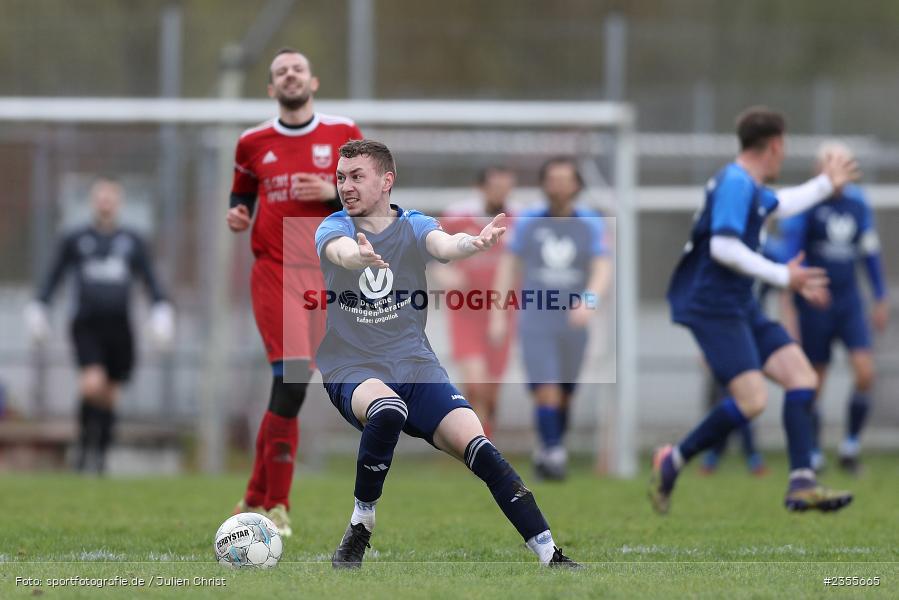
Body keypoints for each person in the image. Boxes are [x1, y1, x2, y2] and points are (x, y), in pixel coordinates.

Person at [314, 139, 578, 569]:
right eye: (341, 177)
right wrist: (357, 258)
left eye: (356, 176)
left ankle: (551, 556)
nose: (345, 185)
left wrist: (472, 245)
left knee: (481, 449)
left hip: (416, 366)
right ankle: (361, 523)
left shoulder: (414, 223)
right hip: (352, 366)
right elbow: (337, 252)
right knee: (386, 409)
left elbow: (442, 244)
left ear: (386, 181)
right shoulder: (335, 227)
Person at [651, 106, 860, 514]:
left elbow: (780, 203)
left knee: (801, 378)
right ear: (776, 145)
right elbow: (723, 247)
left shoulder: (746, 184)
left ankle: (801, 482)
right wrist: (785, 276)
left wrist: (824, 183)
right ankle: (674, 459)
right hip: (714, 308)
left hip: (741, 305)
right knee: (753, 401)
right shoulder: (735, 183)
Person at [226, 47, 363, 537]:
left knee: (290, 385)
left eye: (297, 69)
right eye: (280, 71)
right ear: (270, 88)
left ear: (313, 80)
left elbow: (370, 196)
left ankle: (253, 495)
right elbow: (240, 196)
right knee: (292, 378)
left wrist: (330, 193)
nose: (289, 76)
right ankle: (277, 506)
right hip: (276, 269)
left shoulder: (343, 133)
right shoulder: (251, 141)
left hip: (327, 274)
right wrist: (238, 214)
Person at [24, 176, 174, 474]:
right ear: (94, 202)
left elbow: (150, 279)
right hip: (87, 323)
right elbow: (55, 275)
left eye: (111, 198)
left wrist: (161, 308)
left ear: (118, 203)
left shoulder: (132, 240)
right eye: (100, 198)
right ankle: (83, 449)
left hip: (119, 326)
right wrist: (41, 305)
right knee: (92, 384)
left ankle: (100, 458)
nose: (105, 203)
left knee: (109, 394)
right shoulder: (75, 238)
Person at [490, 157, 612, 481]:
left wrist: (589, 301)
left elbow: (602, 266)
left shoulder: (590, 222)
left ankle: (549, 446)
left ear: (576, 185)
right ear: (544, 184)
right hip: (535, 318)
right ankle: (555, 454)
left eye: (565, 179)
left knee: (566, 393)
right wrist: (498, 313)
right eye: (552, 179)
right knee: (547, 389)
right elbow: (509, 265)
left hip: (573, 320)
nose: (558, 185)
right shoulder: (529, 221)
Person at [780, 141, 889, 475]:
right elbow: (791, 255)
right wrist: (796, 298)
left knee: (865, 372)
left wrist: (880, 296)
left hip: (849, 302)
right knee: (816, 379)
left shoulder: (858, 205)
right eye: (832, 163)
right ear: (820, 170)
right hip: (816, 304)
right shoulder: (806, 206)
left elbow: (869, 253)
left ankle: (850, 447)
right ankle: (813, 452)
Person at [436, 165, 517, 437]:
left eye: (506, 188)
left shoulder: (518, 219)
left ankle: (485, 438)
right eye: (496, 187)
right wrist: (445, 275)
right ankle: (474, 444)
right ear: (481, 188)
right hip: (466, 311)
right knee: (475, 382)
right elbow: (432, 252)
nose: (501, 193)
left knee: (492, 389)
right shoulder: (457, 217)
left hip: (502, 312)